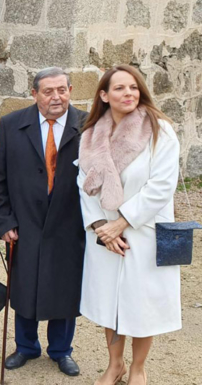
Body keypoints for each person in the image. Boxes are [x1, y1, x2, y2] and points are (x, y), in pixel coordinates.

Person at [78, 65, 179, 385]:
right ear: (104, 96)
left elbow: (162, 185)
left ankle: (138, 368)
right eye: (120, 88)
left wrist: (122, 222)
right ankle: (114, 365)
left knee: (142, 303)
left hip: (144, 230)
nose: (128, 94)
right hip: (107, 234)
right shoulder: (92, 135)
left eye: (133, 87)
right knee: (110, 301)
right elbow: (84, 184)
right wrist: (99, 226)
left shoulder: (160, 130)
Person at [0, 67, 86, 376]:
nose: (56, 97)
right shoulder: (12, 124)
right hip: (25, 223)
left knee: (65, 288)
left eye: (62, 90)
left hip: (69, 224)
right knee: (24, 285)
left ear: (70, 89)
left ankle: (61, 349)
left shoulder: (87, 125)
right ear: (34, 94)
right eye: (48, 91)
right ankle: (26, 346)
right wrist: (4, 222)